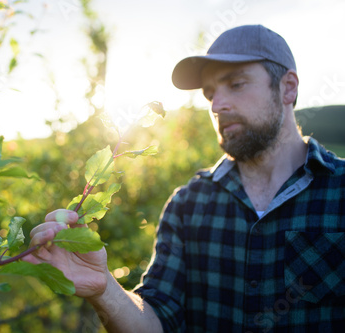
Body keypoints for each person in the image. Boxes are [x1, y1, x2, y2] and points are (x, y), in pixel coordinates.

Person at [24, 25, 345, 332]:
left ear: (288, 87)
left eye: (236, 84)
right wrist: (104, 288)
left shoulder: (340, 191)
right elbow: (157, 323)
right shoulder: (187, 204)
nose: (217, 105)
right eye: (209, 94)